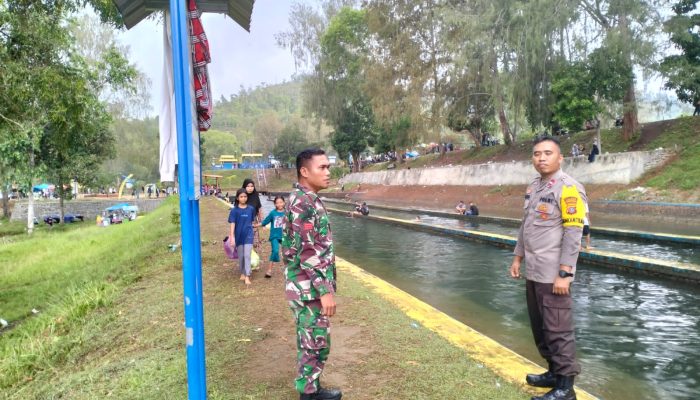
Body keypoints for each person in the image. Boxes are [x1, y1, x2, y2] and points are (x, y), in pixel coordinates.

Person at [509, 136, 587, 400]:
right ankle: (554, 372)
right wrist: (518, 257)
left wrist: (565, 273)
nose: (541, 158)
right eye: (536, 154)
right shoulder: (534, 186)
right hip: (535, 271)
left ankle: (566, 388)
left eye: (547, 153)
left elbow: (574, 234)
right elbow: (526, 225)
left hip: (554, 274)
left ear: (560, 157)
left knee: (559, 329)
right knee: (540, 326)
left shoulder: (569, 188)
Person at [282, 148, 342, 400]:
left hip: (308, 286)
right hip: (308, 288)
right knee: (314, 341)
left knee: (314, 340)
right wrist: (325, 291)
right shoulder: (303, 203)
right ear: (304, 172)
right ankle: (308, 395)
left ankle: (311, 389)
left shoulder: (309, 199)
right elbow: (307, 252)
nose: (328, 172)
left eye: (328, 167)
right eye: (322, 167)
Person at [229, 188, 258, 286]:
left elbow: (252, 222)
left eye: (245, 196)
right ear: (237, 198)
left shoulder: (251, 209)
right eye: (241, 196)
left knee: (247, 255)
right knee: (241, 256)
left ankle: (247, 276)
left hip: (248, 235)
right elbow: (232, 224)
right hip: (238, 236)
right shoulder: (234, 211)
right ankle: (242, 272)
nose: (243, 198)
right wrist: (232, 237)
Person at [260, 196, 286, 278]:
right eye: (277, 203)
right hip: (274, 236)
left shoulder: (287, 213)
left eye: (281, 202)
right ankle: (269, 270)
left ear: (284, 202)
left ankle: (288, 269)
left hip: (285, 236)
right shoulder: (272, 213)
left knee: (287, 253)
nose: (279, 204)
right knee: (275, 251)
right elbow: (265, 221)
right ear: (274, 204)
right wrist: (255, 225)